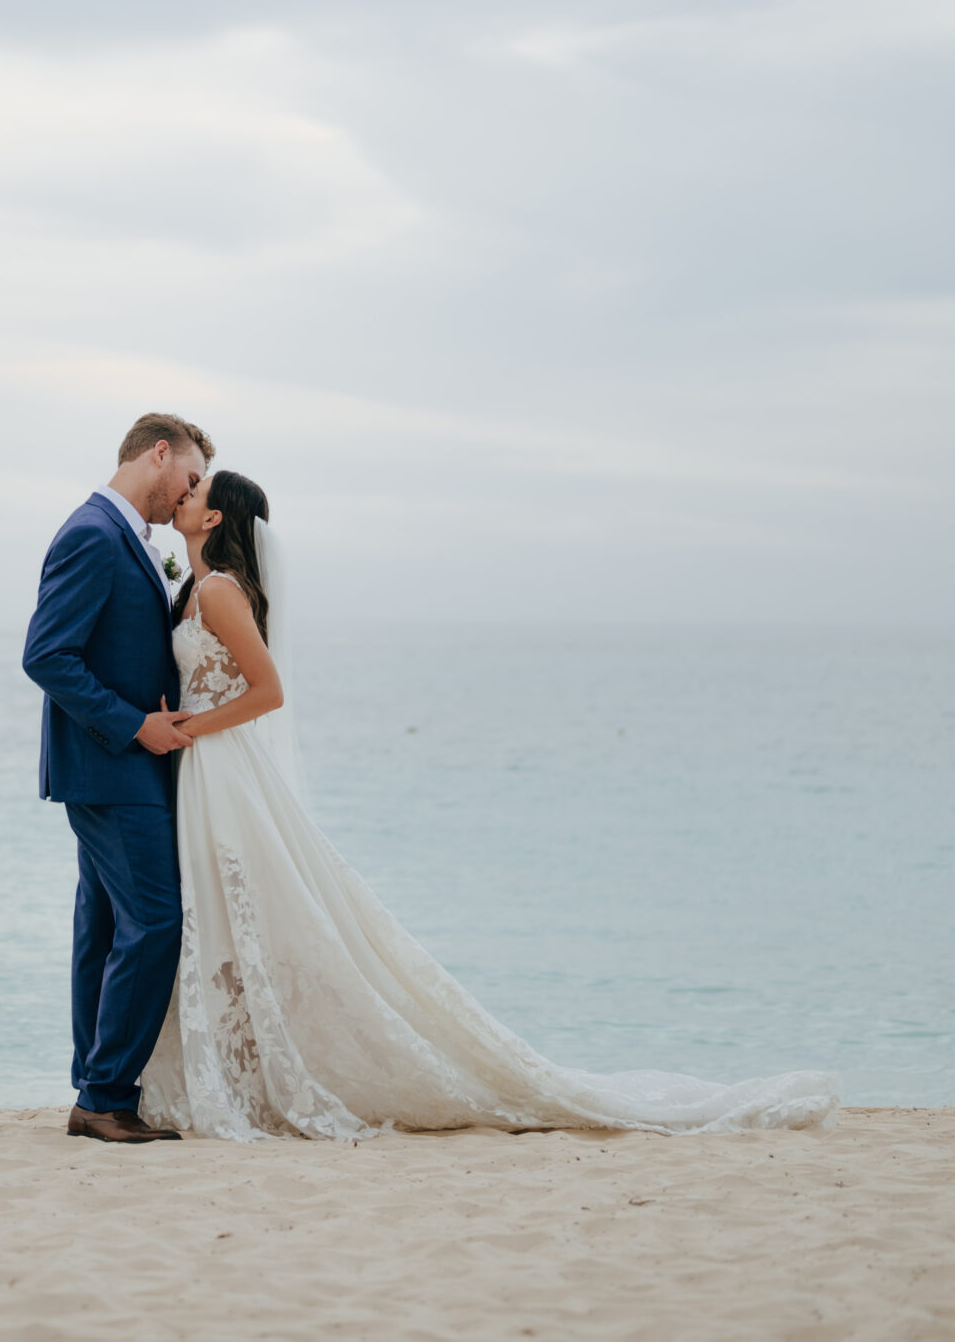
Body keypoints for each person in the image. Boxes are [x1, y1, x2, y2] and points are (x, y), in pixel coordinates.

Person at [134, 468, 840, 1138]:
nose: (185, 496)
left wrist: (188, 727)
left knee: (249, 913)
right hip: (206, 770)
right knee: (223, 917)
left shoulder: (222, 588)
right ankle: (235, 1066)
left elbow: (268, 691)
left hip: (225, 769)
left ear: (217, 516)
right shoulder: (193, 589)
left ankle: (262, 1071)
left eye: (196, 492)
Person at [21, 413, 211, 1143]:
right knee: (156, 919)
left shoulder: (128, 537)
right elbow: (47, 655)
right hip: (112, 763)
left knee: (102, 926)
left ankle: (93, 1088)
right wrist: (137, 725)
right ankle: (105, 1092)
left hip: (116, 767)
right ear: (158, 453)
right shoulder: (93, 533)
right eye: (189, 477)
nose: (189, 492)